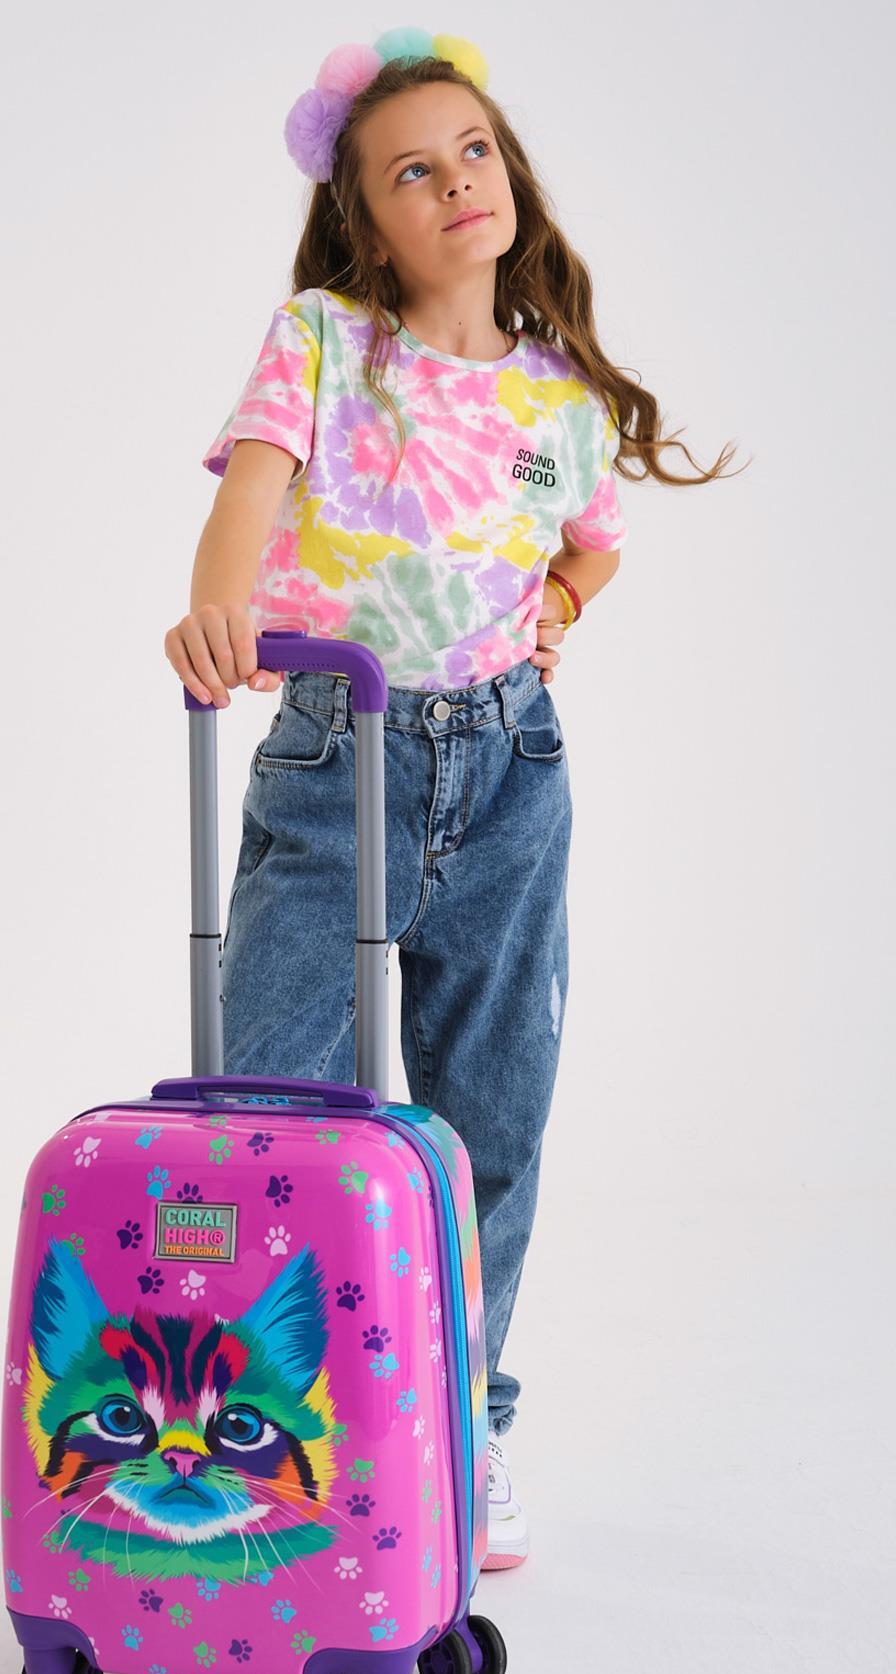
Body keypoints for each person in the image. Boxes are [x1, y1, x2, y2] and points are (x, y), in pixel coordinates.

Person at [164, 28, 738, 1571]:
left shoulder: (557, 401)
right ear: (366, 219)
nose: (456, 181)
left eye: (473, 151)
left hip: (510, 778)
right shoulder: (325, 343)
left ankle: (465, 1417)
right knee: (271, 1100)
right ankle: (254, 1422)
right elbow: (251, 496)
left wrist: (562, 603)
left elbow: (592, 539)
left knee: (492, 1114)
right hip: (335, 761)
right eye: (413, 171)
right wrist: (219, 612)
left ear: (511, 173)